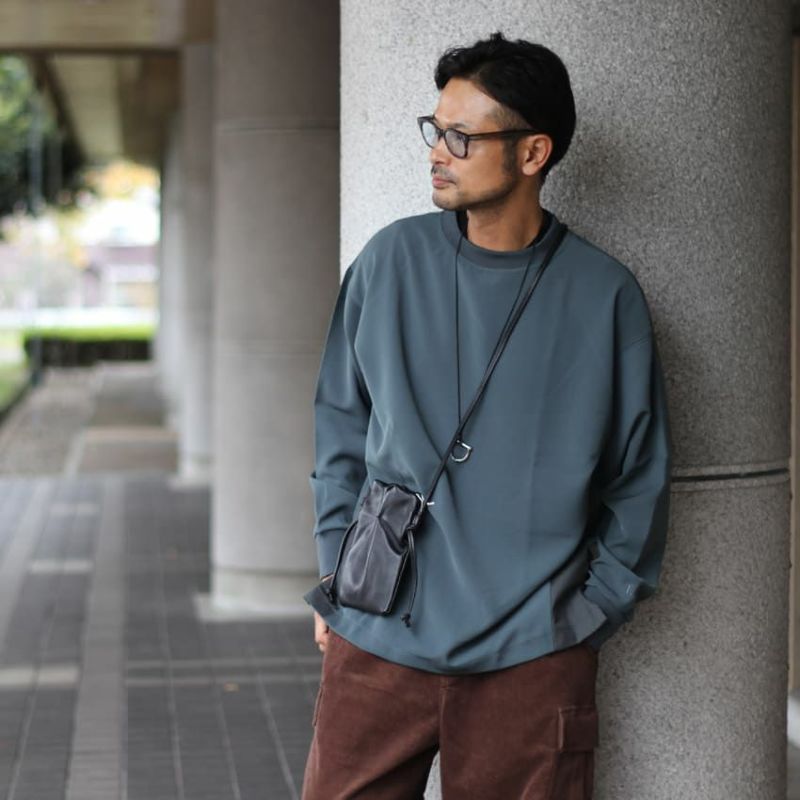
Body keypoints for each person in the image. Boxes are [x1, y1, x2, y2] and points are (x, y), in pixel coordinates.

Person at [301, 30, 672, 800]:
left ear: (533, 153)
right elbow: (340, 421)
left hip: (531, 659)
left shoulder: (603, 297)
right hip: (379, 638)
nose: (438, 152)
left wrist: (584, 619)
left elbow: (639, 479)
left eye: (462, 138)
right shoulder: (389, 263)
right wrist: (338, 568)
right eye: (436, 130)